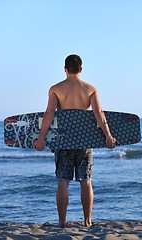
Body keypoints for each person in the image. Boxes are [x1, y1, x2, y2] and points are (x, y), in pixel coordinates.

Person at [34, 54, 116, 228]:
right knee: (86, 181)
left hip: (63, 141)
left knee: (63, 182)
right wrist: (108, 136)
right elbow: (99, 114)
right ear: (81, 69)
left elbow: (49, 113)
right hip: (84, 141)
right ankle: (87, 222)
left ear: (64, 69)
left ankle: (62, 223)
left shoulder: (56, 89)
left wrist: (41, 137)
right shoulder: (90, 89)